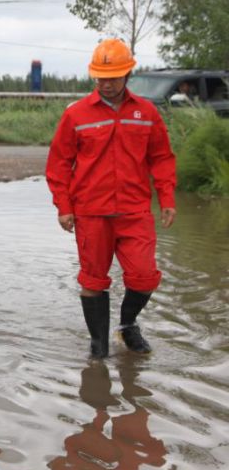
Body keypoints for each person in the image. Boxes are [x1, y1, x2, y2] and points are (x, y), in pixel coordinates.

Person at [46, 38, 176, 359]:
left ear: (128, 73)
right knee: (93, 280)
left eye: (113, 77)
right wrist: (64, 206)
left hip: (135, 211)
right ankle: (98, 347)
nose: (106, 84)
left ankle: (128, 324)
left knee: (145, 277)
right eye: (101, 77)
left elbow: (161, 157)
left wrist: (167, 197)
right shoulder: (76, 114)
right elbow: (59, 162)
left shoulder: (146, 113)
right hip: (90, 212)